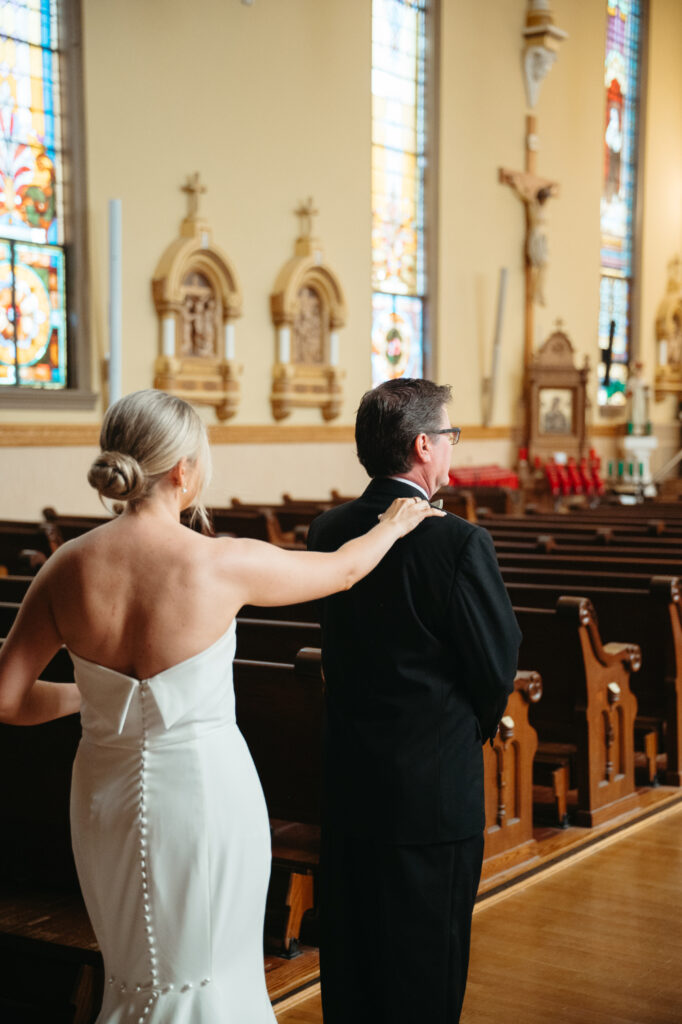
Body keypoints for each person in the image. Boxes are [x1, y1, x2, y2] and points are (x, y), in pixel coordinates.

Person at [0, 388, 444, 1024]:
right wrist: (394, 523)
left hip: (103, 795)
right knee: (210, 973)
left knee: (133, 971)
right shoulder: (221, 563)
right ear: (183, 470)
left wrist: (98, 699)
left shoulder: (65, 568)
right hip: (204, 794)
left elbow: (6, 699)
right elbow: (343, 571)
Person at [307, 377, 522, 1024]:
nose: (453, 449)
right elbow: (497, 661)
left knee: (353, 964)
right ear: (424, 445)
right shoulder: (458, 542)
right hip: (431, 795)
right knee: (426, 971)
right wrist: (468, 731)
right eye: (451, 437)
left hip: (349, 782)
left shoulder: (328, 530)